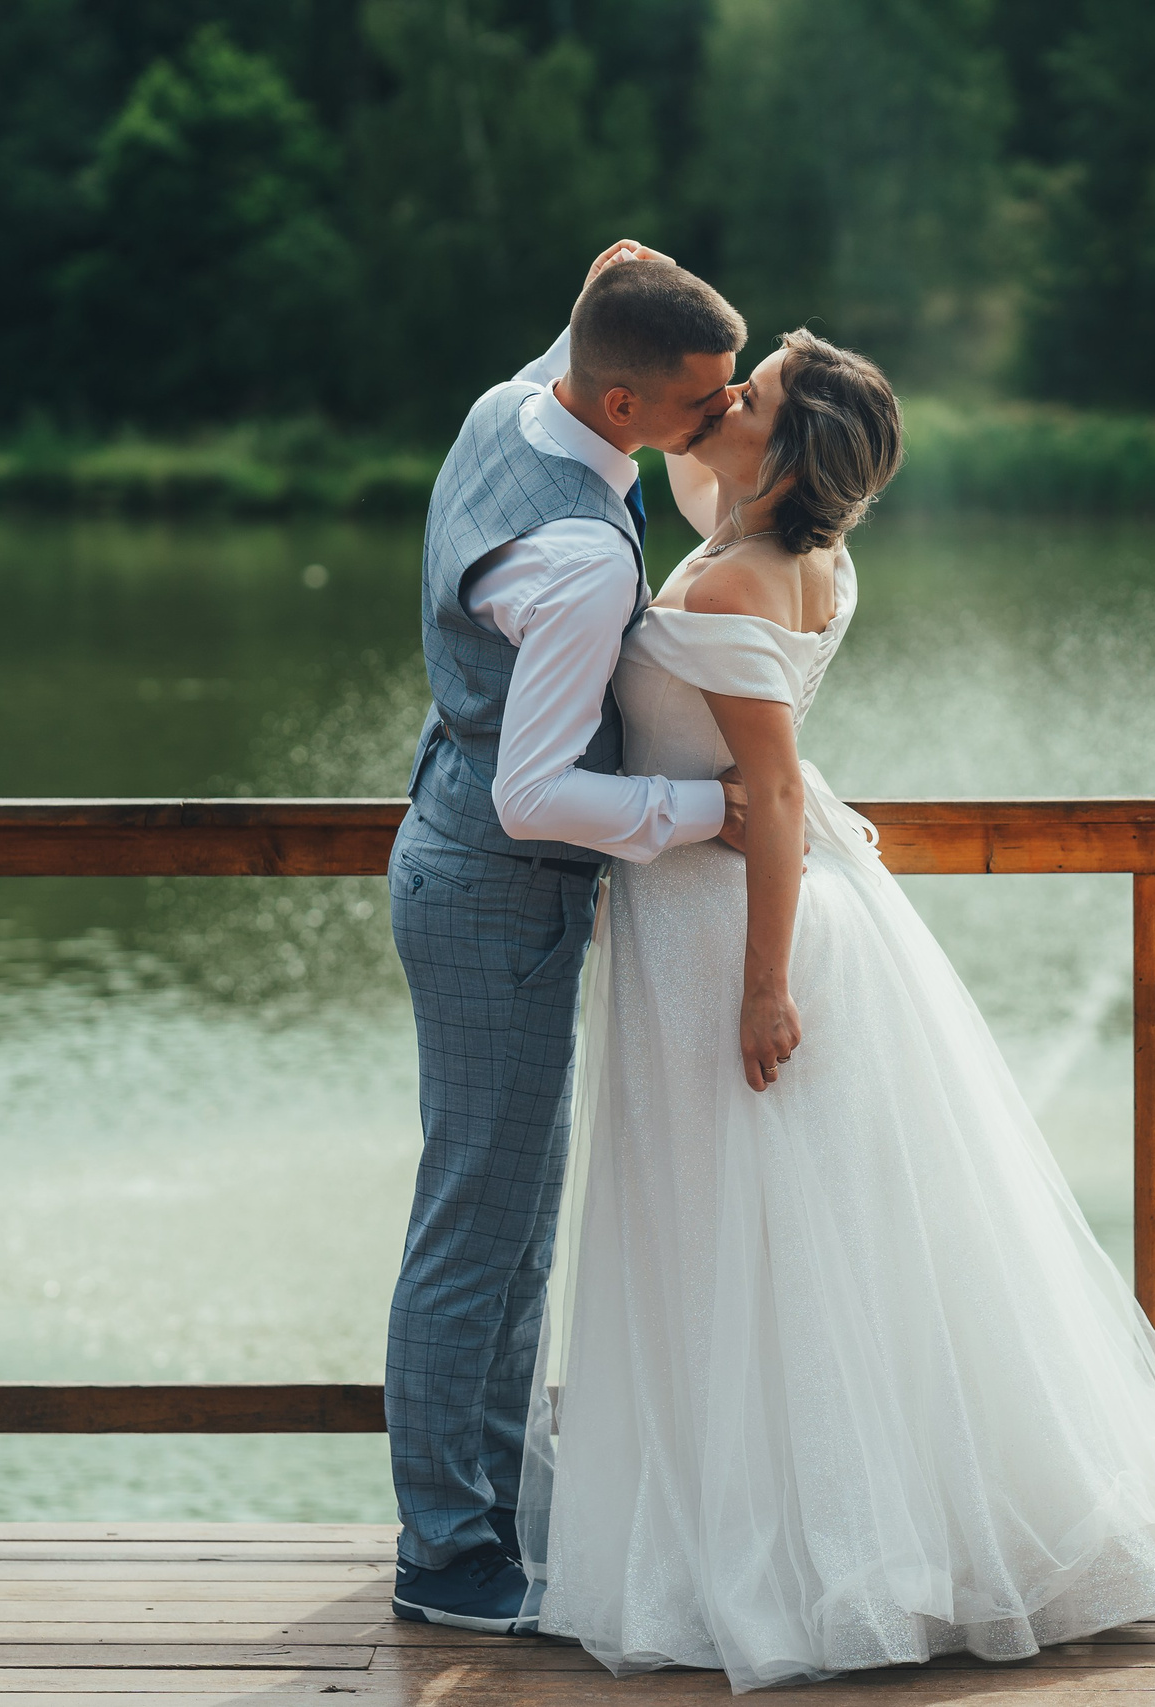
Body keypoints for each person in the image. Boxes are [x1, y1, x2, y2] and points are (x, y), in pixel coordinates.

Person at [512, 314, 1155, 1688]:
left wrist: (764, 988)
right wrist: (622, 317)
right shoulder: (792, 541)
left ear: (786, 451)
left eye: (759, 390)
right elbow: (670, 410)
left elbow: (781, 795)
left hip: (734, 928)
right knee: (768, 1243)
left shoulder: (740, 584)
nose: (729, 392)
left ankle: (813, 1560)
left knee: (760, 1246)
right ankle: (806, 1531)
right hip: (728, 916)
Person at [385, 240, 755, 1633]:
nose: (716, 420)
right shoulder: (583, 560)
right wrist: (703, 808)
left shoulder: (511, 408)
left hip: (452, 855)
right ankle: (444, 1553)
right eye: (698, 402)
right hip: (498, 888)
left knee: (509, 1217)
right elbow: (543, 791)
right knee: (478, 1231)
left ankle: (492, 1504)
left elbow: (589, 327)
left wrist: (620, 268)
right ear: (622, 408)